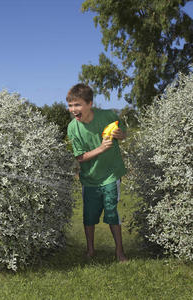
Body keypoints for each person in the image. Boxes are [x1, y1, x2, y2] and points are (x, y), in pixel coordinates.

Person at [66, 84, 128, 262]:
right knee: (89, 217)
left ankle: (120, 252)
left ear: (90, 103)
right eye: (70, 105)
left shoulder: (108, 116)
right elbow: (80, 157)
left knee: (111, 212)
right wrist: (100, 148)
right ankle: (90, 250)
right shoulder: (72, 128)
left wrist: (120, 135)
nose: (73, 110)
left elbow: (124, 134)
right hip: (90, 179)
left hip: (111, 174)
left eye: (77, 105)